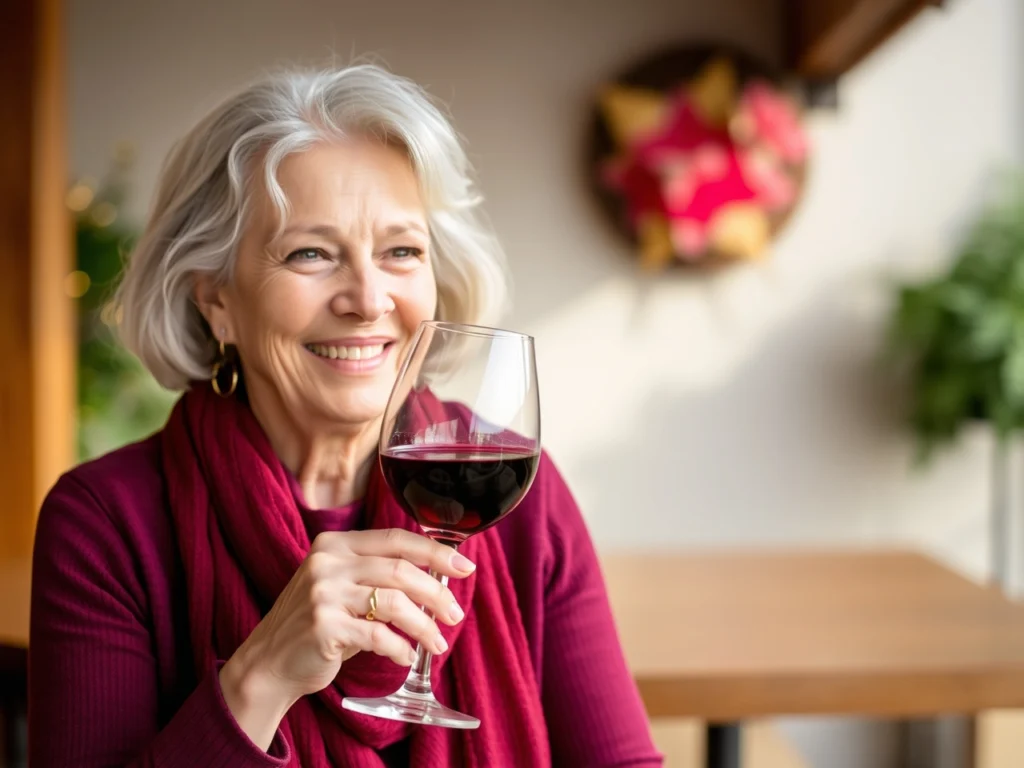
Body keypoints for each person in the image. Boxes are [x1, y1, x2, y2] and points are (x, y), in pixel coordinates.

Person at [29, 64, 662, 768]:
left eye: (401, 251)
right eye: (311, 253)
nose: (367, 298)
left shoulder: (522, 498)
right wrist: (262, 674)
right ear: (215, 300)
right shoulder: (105, 523)